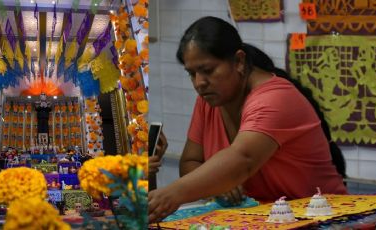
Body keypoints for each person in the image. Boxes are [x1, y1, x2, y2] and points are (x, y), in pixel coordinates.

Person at [148, 16, 347, 223]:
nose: (199, 83)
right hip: (259, 219)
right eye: (191, 74)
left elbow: (243, 159)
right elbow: (191, 161)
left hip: (324, 219)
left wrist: (172, 194)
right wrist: (218, 185)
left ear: (239, 61)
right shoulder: (209, 100)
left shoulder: (275, 98)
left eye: (207, 71)